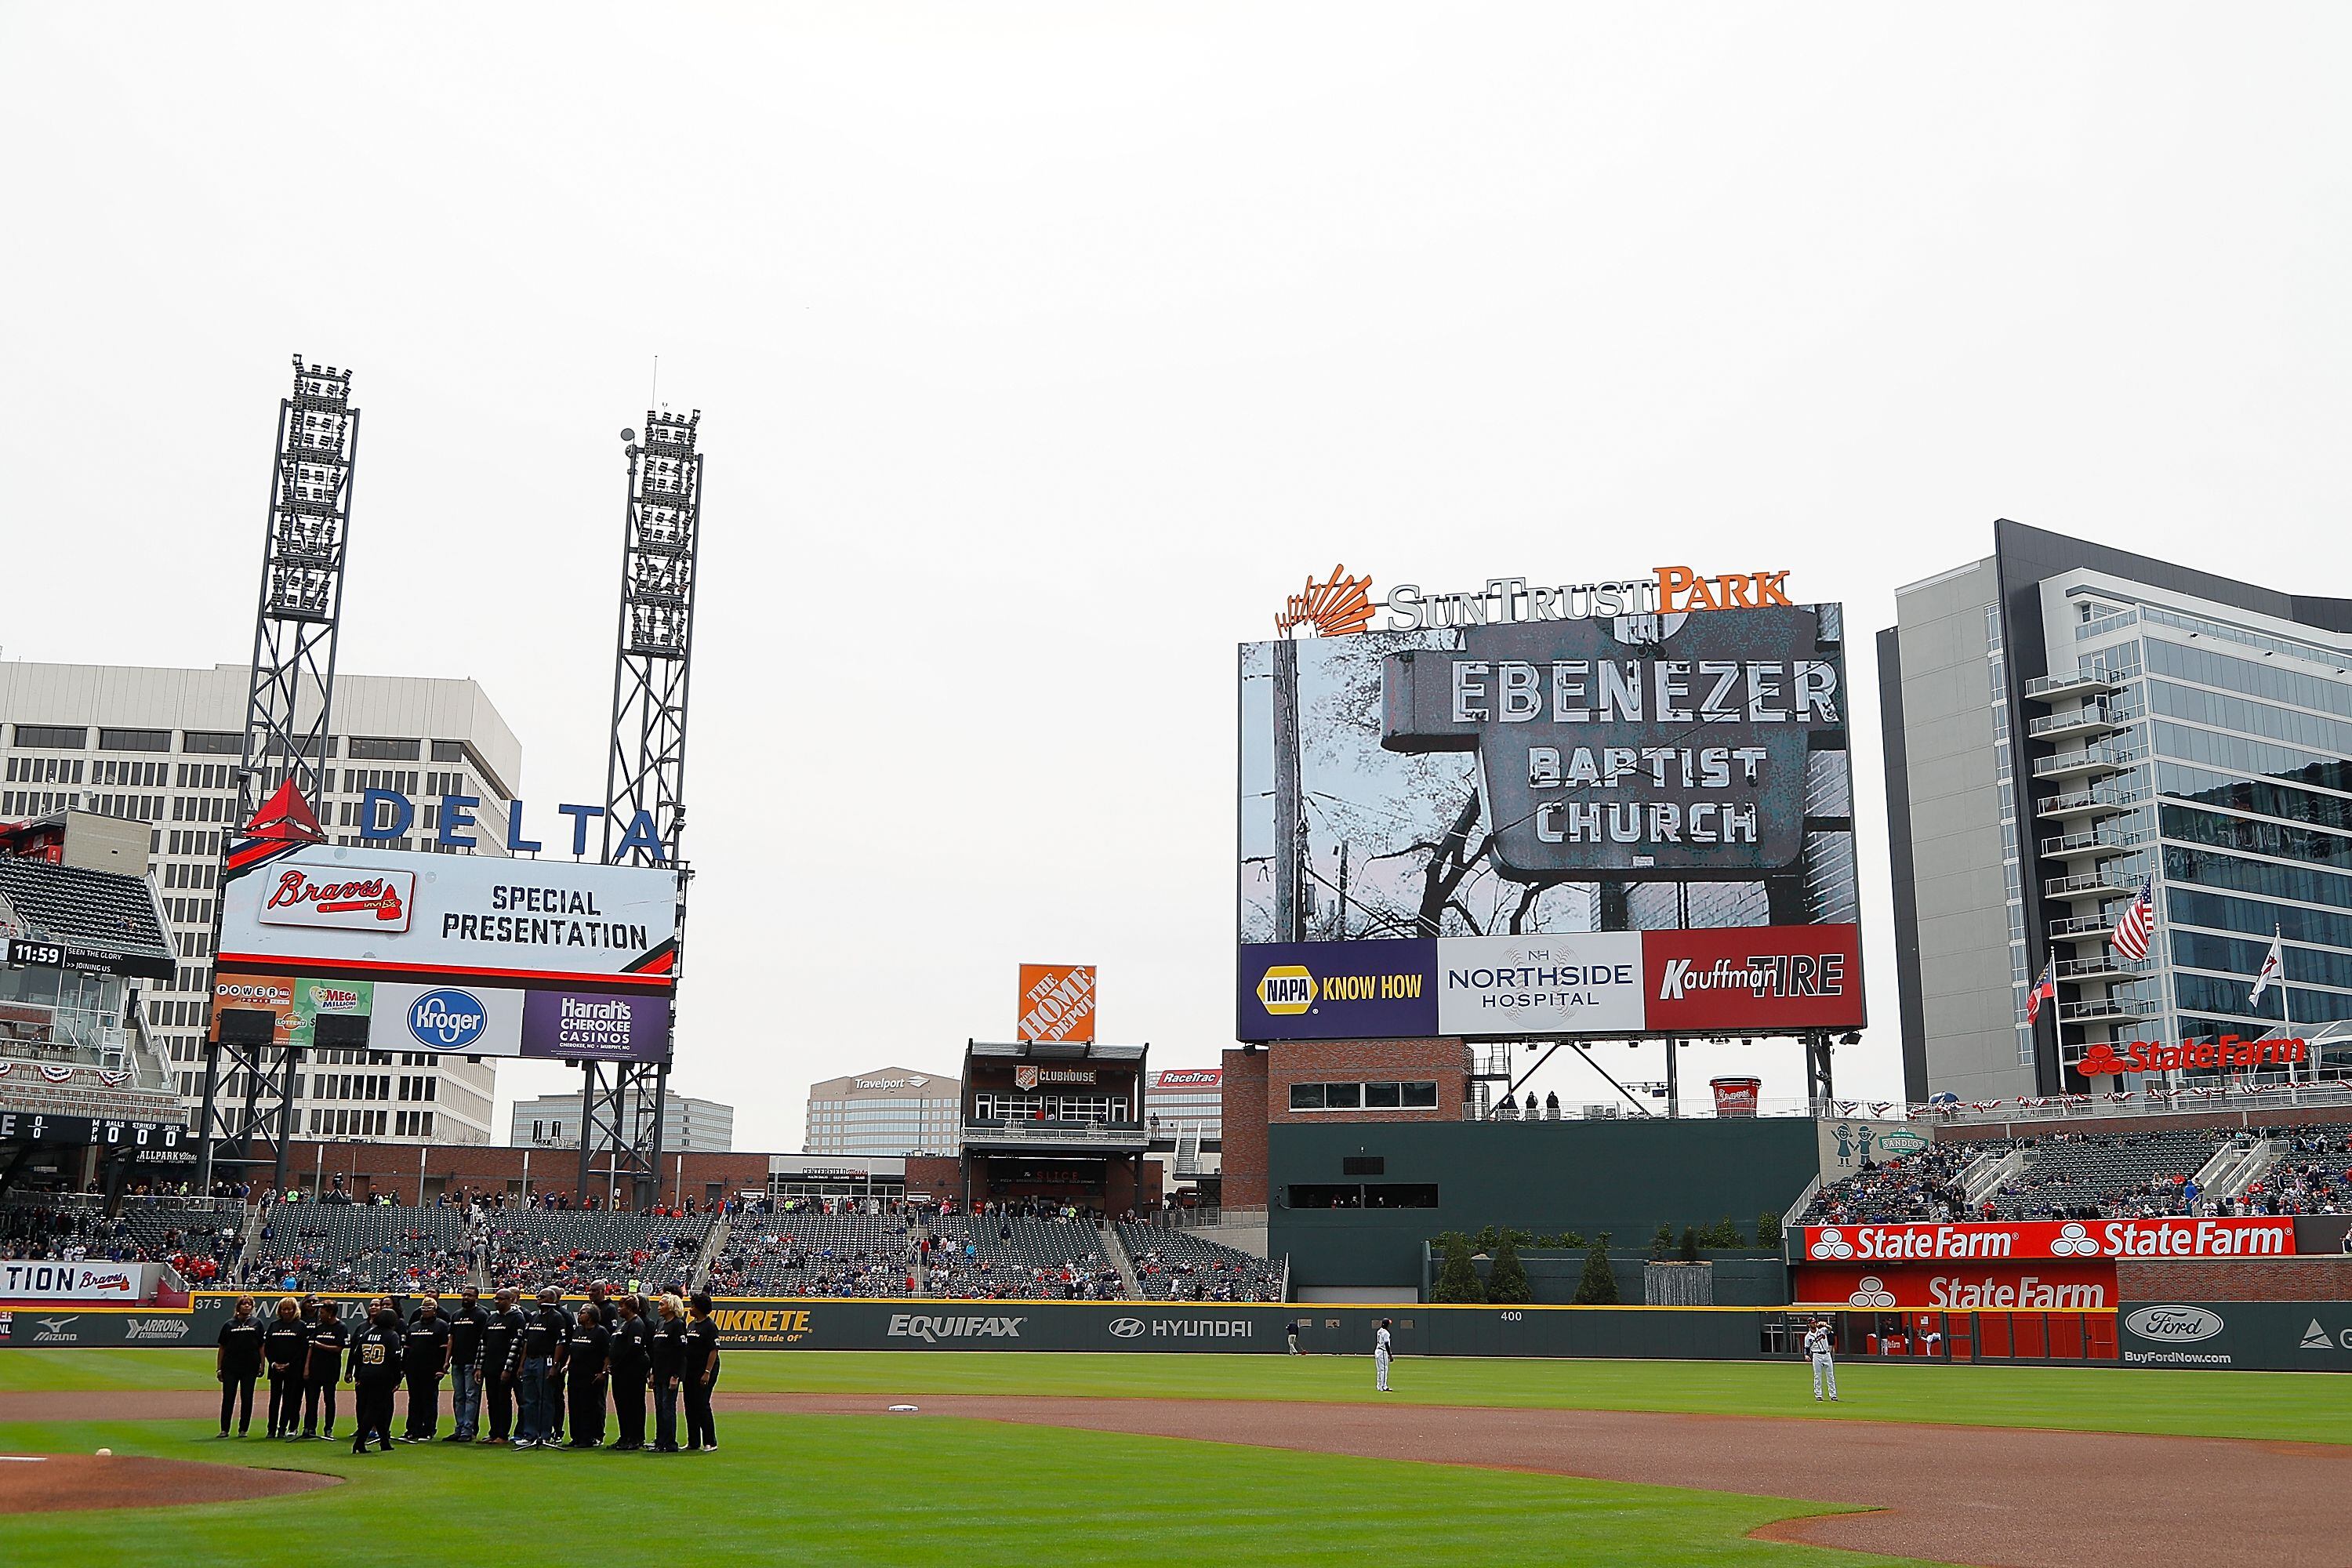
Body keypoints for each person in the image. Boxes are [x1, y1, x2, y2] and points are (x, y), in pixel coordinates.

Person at [511, 1286, 571, 1449]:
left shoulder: (557, 1318)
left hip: (546, 1360)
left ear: (552, 1300)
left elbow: (561, 1342)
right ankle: (529, 1434)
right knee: (529, 1399)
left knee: (546, 1399)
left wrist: (555, 1365)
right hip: (530, 1360)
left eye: (543, 1297)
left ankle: (545, 1434)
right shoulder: (534, 1317)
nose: (539, 1299)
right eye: (538, 1296)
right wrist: (522, 1364)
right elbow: (526, 1342)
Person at [347, 1298, 405, 1454]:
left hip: (366, 1375)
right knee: (374, 1410)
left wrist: (357, 1375)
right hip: (383, 1377)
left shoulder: (367, 1333)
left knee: (378, 1409)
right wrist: (397, 1379)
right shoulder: (392, 1336)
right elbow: (395, 1359)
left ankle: (384, 1442)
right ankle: (359, 1443)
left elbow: (357, 1355)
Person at [400, 1294, 454, 1440]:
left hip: (431, 1370)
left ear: (435, 1310)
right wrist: (403, 1367)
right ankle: (412, 1429)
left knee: (429, 1400)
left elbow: (444, 1349)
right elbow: (407, 1348)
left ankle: (428, 1430)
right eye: (423, 1308)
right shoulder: (414, 1326)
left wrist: (441, 1368)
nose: (426, 1310)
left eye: (429, 1308)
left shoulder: (441, 1325)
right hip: (413, 1369)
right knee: (414, 1400)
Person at [445, 1286, 489, 1443]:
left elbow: (484, 1341)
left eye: (470, 1295)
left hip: (473, 1362)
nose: (466, 1297)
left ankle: (468, 1429)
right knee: (459, 1396)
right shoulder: (457, 1315)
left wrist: (480, 1364)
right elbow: (452, 1339)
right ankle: (459, 1428)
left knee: (471, 1396)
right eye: (464, 1294)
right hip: (457, 1361)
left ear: (477, 1297)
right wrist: (446, 1361)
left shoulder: (482, 1315)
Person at [215, 1294, 263, 1437]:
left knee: (247, 1397)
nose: (247, 1306)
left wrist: (262, 1364)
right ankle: (225, 1429)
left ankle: (243, 1429)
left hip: (250, 1365)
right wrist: (219, 1368)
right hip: (230, 1366)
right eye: (244, 1304)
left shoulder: (257, 1323)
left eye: (249, 1304)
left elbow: (261, 1346)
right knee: (228, 1398)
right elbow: (222, 1347)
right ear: (238, 1307)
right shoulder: (229, 1324)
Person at [481, 1287, 524, 1444]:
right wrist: (479, 1366)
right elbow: (483, 1343)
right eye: (495, 1299)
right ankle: (494, 1432)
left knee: (503, 1400)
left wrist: (508, 1369)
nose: (497, 1301)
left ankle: (503, 1434)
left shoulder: (517, 1318)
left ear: (510, 1300)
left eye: (500, 1299)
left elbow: (516, 1345)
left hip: (505, 1368)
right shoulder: (492, 1319)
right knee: (491, 1400)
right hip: (490, 1366)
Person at [608, 1294, 652, 1452]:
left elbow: (635, 1348)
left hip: (631, 1372)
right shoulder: (624, 1324)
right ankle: (625, 1436)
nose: (619, 1309)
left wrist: (618, 1364)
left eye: (622, 1306)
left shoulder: (636, 1324)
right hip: (620, 1372)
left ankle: (635, 1438)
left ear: (630, 1308)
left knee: (633, 1405)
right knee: (622, 1405)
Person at [564, 1303, 611, 1448]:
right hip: (575, 1375)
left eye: (583, 1313)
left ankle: (591, 1437)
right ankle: (576, 1437)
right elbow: (573, 1350)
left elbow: (607, 1355)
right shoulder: (578, 1330)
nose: (579, 1315)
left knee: (590, 1407)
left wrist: (603, 1372)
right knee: (574, 1406)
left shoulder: (601, 1332)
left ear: (591, 1316)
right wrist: (567, 1364)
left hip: (591, 1376)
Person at [262, 1297, 308, 1438]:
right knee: (274, 1400)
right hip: (275, 1368)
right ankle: (271, 1428)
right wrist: (274, 1363)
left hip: (292, 1369)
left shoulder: (300, 1326)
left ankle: (283, 1428)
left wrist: (290, 1364)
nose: (286, 1312)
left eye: (289, 1309)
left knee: (289, 1400)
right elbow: (268, 1347)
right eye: (284, 1309)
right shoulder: (274, 1325)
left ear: (295, 1310)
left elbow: (302, 1349)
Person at [681, 1290, 720, 1452]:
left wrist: (707, 1372)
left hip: (704, 1370)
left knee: (702, 1404)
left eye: (693, 1305)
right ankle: (693, 1441)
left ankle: (710, 1441)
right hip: (690, 1370)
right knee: (689, 1405)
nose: (690, 1308)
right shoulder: (692, 1325)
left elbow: (713, 1350)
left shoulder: (710, 1326)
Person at [300, 1300, 345, 1439]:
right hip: (315, 1368)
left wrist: (321, 1345)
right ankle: (310, 1427)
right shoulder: (319, 1328)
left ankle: (328, 1428)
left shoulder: (340, 1327)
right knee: (311, 1400)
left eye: (323, 1312)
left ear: (330, 1313)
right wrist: (307, 1368)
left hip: (330, 1369)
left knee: (329, 1399)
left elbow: (339, 1348)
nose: (320, 1315)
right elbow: (310, 1348)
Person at [648, 1294, 685, 1454]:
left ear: (671, 1306)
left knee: (668, 1408)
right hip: (659, 1373)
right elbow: (655, 1351)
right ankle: (660, 1440)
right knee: (659, 1408)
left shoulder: (678, 1324)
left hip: (670, 1374)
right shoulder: (660, 1323)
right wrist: (652, 1373)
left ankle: (669, 1443)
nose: (659, 1307)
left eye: (662, 1305)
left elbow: (681, 1352)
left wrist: (676, 1375)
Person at [1803, 1318, 1838, 1401]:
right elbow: (1806, 1347)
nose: (1814, 1324)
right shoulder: (1808, 1337)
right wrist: (1805, 1355)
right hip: (1816, 1355)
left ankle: (1833, 1395)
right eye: (1812, 1323)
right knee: (1817, 1376)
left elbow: (1830, 1329)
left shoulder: (1822, 1330)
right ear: (1809, 1325)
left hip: (1826, 1354)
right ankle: (1818, 1395)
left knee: (1830, 1376)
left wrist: (1825, 1324)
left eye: (1815, 1322)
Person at [1374, 1318, 1393, 1392]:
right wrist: (1390, 1355)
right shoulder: (1386, 1333)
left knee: (1379, 1370)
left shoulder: (1379, 1331)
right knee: (1384, 1370)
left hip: (1377, 1351)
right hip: (1382, 1352)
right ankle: (1384, 1386)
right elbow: (1387, 1344)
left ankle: (1379, 1386)